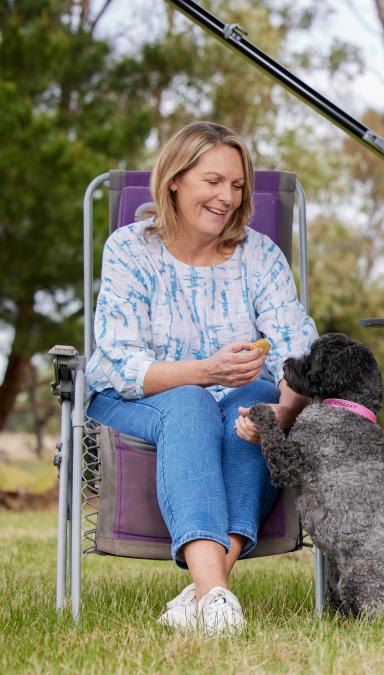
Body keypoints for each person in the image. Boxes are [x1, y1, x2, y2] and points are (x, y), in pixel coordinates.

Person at [86, 121, 319, 635]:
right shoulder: (130, 249)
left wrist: (280, 410)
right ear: (174, 179)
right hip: (136, 395)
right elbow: (124, 362)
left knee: (255, 402)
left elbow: (296, 349)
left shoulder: (259, 255)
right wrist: (207, 370)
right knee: (190, 402)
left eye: (237, 186)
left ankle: (209, 596)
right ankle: (215, 592)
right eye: (213, 181)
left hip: (233, 397)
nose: (227, 198)